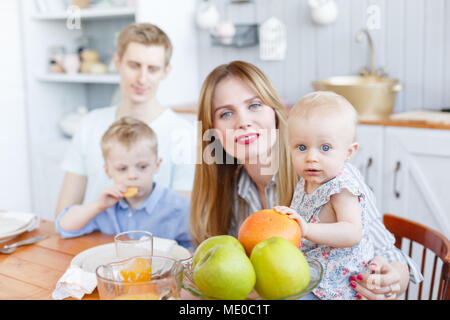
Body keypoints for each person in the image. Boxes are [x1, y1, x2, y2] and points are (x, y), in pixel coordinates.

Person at [189, 60, 423, 300]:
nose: (243, 121)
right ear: (213, 131)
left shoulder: (328, 177)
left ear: (277, 113)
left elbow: (384, 250)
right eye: (226, 113)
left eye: (255, 105)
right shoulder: (226, 189)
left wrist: (393, 278)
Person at [55, 23, 196, 217]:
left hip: (151, 245)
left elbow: (182, 217)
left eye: (152, 69)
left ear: (166, 72)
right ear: (117, 62)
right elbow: (63, 213)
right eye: (134, 65)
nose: (142, 78)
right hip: (90, 243)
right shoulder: (90, 124)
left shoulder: (185, 134)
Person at [275, 91, 384, 299]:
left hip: (336, 287)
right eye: (301, 147)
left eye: (325, 148)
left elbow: (352, 232)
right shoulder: (307, 181)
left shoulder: (341, 189)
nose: (311, 157)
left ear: (348, 153)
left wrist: (305, 228)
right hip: (312, 274)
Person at [55, 117, 192, 249]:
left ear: (156, 165)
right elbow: (64, 227)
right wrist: (98, 206)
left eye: (142, 167)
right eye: (122, 169)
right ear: (107, 171)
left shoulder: (178, 207)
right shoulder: (107, 205)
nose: (132, 176)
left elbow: (194, 249)